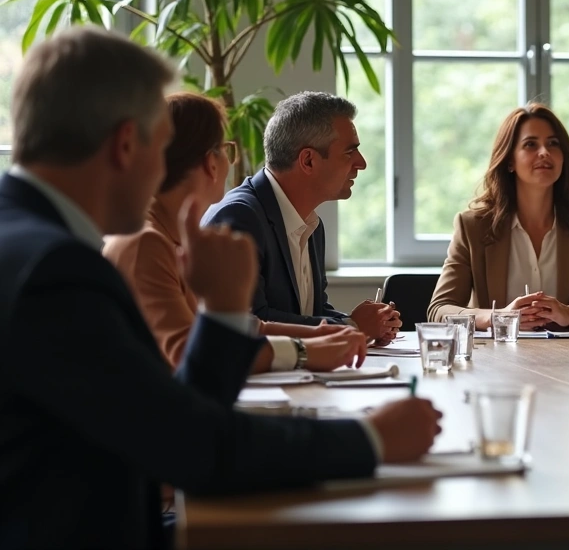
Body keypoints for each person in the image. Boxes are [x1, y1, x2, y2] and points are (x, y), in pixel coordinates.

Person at [0, 27, 441, 549]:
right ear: (125, 144)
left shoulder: (26, 243)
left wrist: (226, 317)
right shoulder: (56, 271)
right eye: (163, 148)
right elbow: (192, 447)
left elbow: (173, 421)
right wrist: (371, 438)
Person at [105, 92, 368, 373]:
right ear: (210, 162)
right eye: (225, 149)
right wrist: (301, 352)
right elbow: (186, 353)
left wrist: (321, 334)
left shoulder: (167, 237)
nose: (231, 162)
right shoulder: (145, 243)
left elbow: (239, 324)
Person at [202, 91, 401, 345]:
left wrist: (367, 324)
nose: (361, 164)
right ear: (308, 160)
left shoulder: (312, 225)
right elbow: (250, 320)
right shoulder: (239, 216)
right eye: (350, 152)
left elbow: (309, 315)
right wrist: (351, 327)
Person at [428, 104, 569, 330]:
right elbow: (440, 309)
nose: (544, 152)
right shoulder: (472, 226)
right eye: (530, 144)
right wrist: (500, 318)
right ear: (510, 161)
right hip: (496, 359)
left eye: (553, 144)